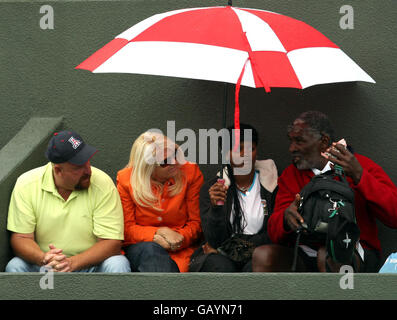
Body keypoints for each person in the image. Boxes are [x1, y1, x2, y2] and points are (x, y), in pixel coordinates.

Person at [252, 111, 397, 273]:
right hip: (305, 252)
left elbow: (394, 215)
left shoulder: (359, 165)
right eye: (291, 141)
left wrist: (359, 176)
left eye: (299, 141)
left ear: (324, 141)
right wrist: (286, 218)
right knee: (263, 256)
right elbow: (273, 229)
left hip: (354, 250)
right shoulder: (291, 175)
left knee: (327, 256)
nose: (291, 148)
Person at [5, 130, 130, 273]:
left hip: (91, 265)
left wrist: (71, 263)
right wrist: (45, 258)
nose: (88, 170)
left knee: (118, 264)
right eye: (78, 167)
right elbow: (21, 238)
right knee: (15, 266)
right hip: (46, 265)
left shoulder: (102, 183)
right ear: (58, 170)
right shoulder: (27, 184)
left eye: (87, 161)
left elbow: (111, 243)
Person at [189, 124, 278, 272]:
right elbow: (213, 239)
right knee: (221, 266)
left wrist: (231, 250)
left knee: (256, 267)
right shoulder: (213, 189)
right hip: (220, 260)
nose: (245, 155)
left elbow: (272, 234)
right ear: (225, 154)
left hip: (258, 254)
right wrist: (216, 209)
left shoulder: (272, 185)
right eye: (238, 149)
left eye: (251, 149)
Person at [116, 131, 204, 272]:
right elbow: (126, 229)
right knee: (151, 251)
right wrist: (157, 233)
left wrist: (178, 240)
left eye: (175, 154)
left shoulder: (190, 172)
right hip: (142, 248)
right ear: (147, 167)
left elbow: (197, 223)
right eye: (164, 162)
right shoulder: (126, 180)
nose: (174, 162)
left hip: (182, 250)